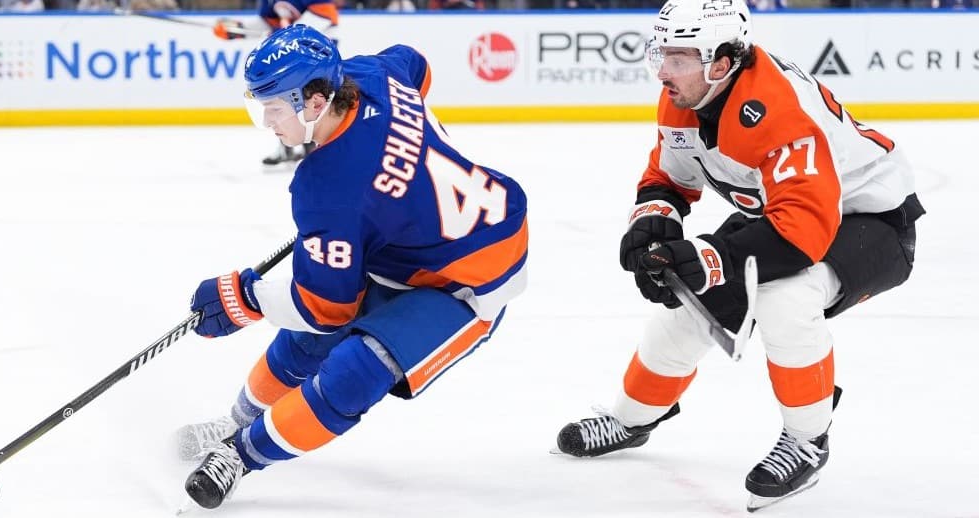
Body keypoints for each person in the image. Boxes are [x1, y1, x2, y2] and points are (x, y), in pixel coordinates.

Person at [554, 0, 923, 512]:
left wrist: (707, 256)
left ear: (722, 63)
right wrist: (653, 223)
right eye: (661, 54)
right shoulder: (687, 94)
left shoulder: (778, 109)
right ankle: (633, 417)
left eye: (678, 58)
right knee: (690, 307)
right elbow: (670, 177)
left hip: (872, 221)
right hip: (788, 211)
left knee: (786, 297)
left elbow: (803, 233)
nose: (662, 71)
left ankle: (808, 439)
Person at [179, 24, 529, 510]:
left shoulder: (328, 190)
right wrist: (407, 162)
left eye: (274, 108)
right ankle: (234, 422)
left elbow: (324, 309)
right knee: (305, 344)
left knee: (355, 371)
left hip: (472, 277)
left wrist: (246, 298)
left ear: (315, 102)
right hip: (410, 247)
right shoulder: (371, 73)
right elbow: (415, 63)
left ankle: (239, 455)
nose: (267, 121)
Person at [212, 0, 342, 166]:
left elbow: (326, 15)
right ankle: (286, 147)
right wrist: (238, 29)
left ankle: (315, 147)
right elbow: (267, 22)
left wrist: (284, 36)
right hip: (287, 55)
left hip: (314, 57)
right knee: (280, 101)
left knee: (307, 100)